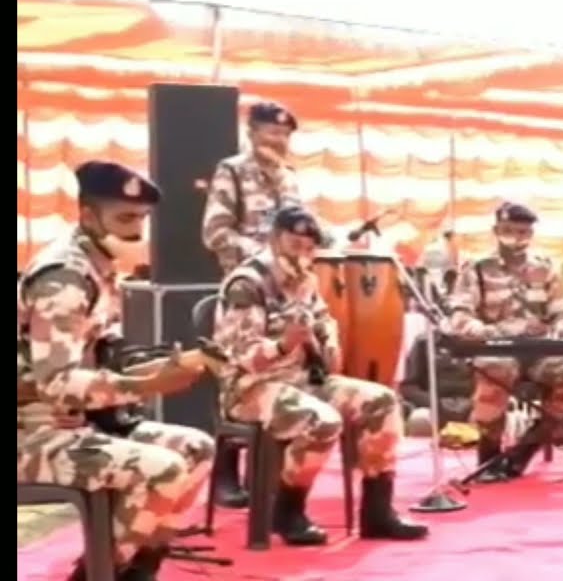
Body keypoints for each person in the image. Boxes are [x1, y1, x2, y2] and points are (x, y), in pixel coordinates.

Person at [17, 161, 217, 581]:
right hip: (31, 432)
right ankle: (98, 575)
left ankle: (130, 570)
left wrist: (176, 365)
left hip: (75, 422)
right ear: (88, 216)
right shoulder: (64, 279)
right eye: (125, 219)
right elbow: (58, 382)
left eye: (142, 219)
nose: (136, 231)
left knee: (196, 448)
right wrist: (148, 384)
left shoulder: (99, 266)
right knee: (162, 469)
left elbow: (103, 360)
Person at [211, 206, 427, 545]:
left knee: (382, 401)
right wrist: (282, 345)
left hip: (302, 380)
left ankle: (377, 511)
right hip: (251, 387)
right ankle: (288, 509)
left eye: (309, 248)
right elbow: (238, 355)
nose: (302, 253)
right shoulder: (248, 284)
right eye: (294, 244)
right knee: (321, 420)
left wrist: (325, 342)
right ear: (274, 239)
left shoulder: (307, 280)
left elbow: (326, 329)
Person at [200, 100, 306, 507]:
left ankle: (268, 473)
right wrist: (264, 257)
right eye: (271, 132)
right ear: (252, 132)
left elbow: (301, 229)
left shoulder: (291, 177)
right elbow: (215, 232)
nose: (278, 141)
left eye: (284, 135)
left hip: (286, 291)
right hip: (247, 288)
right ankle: (225, 474)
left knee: (283, 372)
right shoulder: (232, 171)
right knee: (239, 371)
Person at [446, 202, 563, 483]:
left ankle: (524, 451)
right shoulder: (477, 269)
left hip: (539, 351)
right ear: (496, 230)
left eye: (523, 232)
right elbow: (460, 314)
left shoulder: (544, 269)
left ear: (531, 234)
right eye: (509, 230)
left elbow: (562, 312)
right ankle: (489, 456)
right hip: (497, 348)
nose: (516, 237)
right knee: (496, 370)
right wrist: (482, 330)